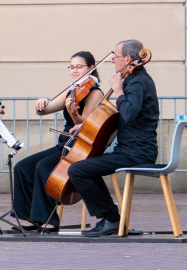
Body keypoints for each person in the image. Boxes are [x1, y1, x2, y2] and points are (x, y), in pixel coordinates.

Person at [67, 39, 159, 237]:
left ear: (127, 59)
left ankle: (111, 219)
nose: (112, 61)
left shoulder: (138, 82)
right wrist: (86, 126)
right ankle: (109, 219)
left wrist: (118, 90)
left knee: (78, 169)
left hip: (137, 152)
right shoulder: (133, 79)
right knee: (85, 166)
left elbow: (129, 113)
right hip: (129, 149)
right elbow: (115, 117)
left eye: (115, 57)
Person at [12, 51, 104, 233]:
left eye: (79, 67)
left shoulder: (95, 92)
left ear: (91, 68)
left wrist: (72, 110)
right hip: (64, 145)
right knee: (22, 167)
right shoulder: (74, 90)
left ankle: (49, 220)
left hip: (80, 147)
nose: (75, 71)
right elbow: (45, 110)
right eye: (72, 67)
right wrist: (42, 103)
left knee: (44, 167)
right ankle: (27, 218)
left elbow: (83, 124)